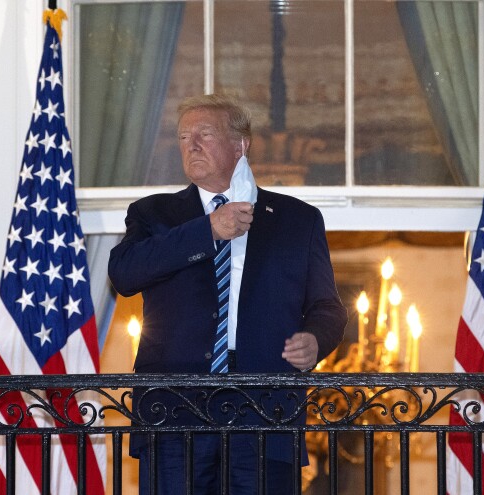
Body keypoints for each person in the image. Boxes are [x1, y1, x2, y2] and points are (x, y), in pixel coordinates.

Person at [108, 93, 347, 494]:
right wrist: (208, 230)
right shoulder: (154, 214)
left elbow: (327, 307)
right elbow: (124, 274)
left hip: (266, 407)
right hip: (174, 408)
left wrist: (316, 339)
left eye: (204, 134)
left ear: (241, 145)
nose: (192, 145)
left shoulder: (297, 219)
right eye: (184, 138)